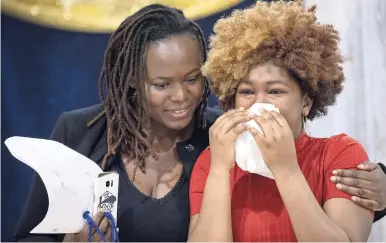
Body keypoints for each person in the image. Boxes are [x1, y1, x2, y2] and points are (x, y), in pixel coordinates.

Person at [13, 2, 386, 243]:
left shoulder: (223, 137)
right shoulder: (80, 132)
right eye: (161, 84)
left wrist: (382, 185)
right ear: (131, 80)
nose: (181, 96)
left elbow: (323, 183)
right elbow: (28, 236)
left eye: (193, 78)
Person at [188, 1, 386, 242]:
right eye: (247, 92)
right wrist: (219, 171)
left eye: (276, 91)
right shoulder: (211, 162)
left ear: (306, 103)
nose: (258, 104)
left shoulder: (340, 154)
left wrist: (286, 169)